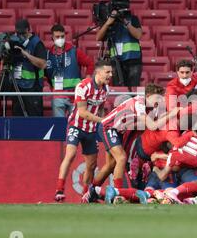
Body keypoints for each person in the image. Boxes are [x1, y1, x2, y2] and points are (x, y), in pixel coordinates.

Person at [96, 84, 181, 203]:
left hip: (119, 131)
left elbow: (156, 120)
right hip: (108, 127)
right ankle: (117, 192)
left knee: (110, 165)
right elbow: (152, 126)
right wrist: (171, 114)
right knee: (121, 158)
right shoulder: (139, 103)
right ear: (148, 96)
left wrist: (173, 113)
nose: (159, 103)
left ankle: (92, 191)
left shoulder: (149, 107)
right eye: (157, 99)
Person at [54, 60, 112, 202]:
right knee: (71, 154)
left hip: (91, 130)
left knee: (91, 165)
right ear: (98, 72)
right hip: (76, 126)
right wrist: (103, 120)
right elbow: (83, 112)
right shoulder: (83, 86)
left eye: (111, 72)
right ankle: (59, 189)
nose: (111, 74)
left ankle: (86, 195)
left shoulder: (106, 89)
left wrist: (103, 119)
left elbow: (101, 108)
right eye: (108, 72)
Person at [45, 24, 94, 118]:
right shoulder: (48, 55)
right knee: (59, 126)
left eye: (62, 36)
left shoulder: (74, 51)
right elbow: (47, 74)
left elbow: (90, 63)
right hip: (58, 95)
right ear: (52, 37)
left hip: (75, 95)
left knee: (76, 124)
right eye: (57, 37)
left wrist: (87, 80)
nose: (60, 39)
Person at [96, 0, 143, 87]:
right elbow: (98, 37)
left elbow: (138, 35)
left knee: (134, 88)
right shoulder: (109, 21)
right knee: (119, 89)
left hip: (133, 59)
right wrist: (108, 23)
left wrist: (126, 22)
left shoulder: (133, 19)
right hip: (116, 60)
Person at [9, 19, 47, 116]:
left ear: (29, 30)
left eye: (23, 33)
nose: (20, 36)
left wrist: (26, 54)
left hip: (33, 87)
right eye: (18, 33)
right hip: (17, 85)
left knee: (34, 118)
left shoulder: (37, 43)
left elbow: (43, 64)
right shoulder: (13, 40)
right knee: (17, 117)